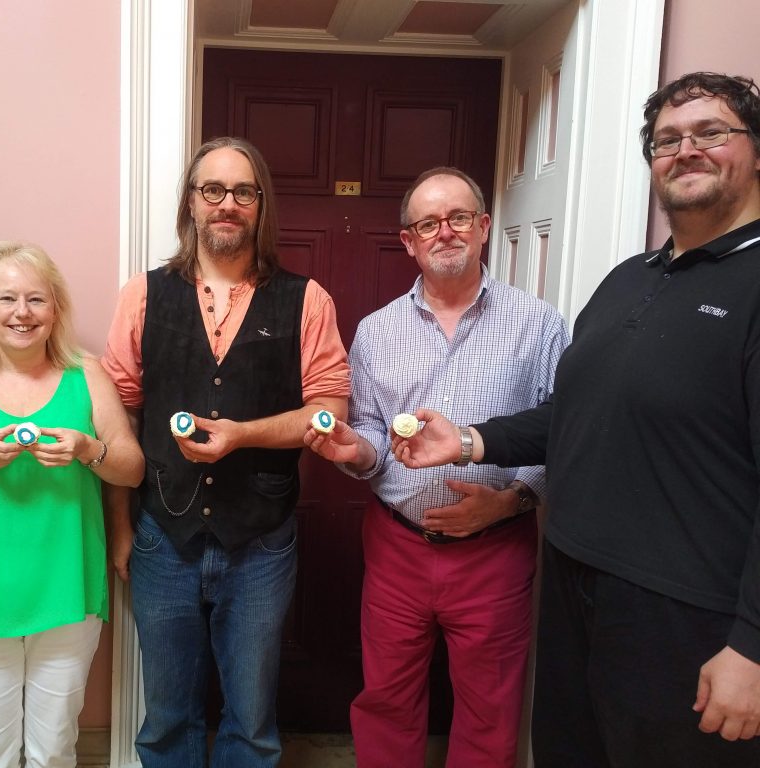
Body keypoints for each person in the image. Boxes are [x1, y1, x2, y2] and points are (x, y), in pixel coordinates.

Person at [393, 72, 760, 766]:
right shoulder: (631, 277)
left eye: (712, 133)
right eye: (667, 140)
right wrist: (470, 439)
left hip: (686, 616)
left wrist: (753, 646)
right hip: (573, 587)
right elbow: (573, 413)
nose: (686, 151)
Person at [304, 167, 569, 767]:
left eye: (457, 219)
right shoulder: (376, 331)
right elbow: (371, 432)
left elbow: (563, 434)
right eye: (427, 223)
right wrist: (356, 452)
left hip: (497, 551)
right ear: (408, 241)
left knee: (488, 707)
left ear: (482, 227)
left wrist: (511, 502)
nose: (443, 232)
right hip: (397, 547)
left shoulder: (540, 325)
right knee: (387, 700)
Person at [102, 136, 350, 767]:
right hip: (162, 536)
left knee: (251, 722)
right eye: (213, 189)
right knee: (166, 720)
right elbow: (118, 418)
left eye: (243, 191)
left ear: (260, 205)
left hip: (262, 542)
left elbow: (330, 413)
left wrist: (244, 433)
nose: (227, 203)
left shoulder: (307, 299)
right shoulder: (143, 294)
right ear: (192, 202)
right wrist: (121, 529)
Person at [0, 241, 143, 767]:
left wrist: (88, 450)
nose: (21, 313)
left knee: (54, 747)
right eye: (7, 299)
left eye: (36, 300)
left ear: (55, 308)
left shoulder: (88, 375)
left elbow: (131, 467)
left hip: (66, 587)